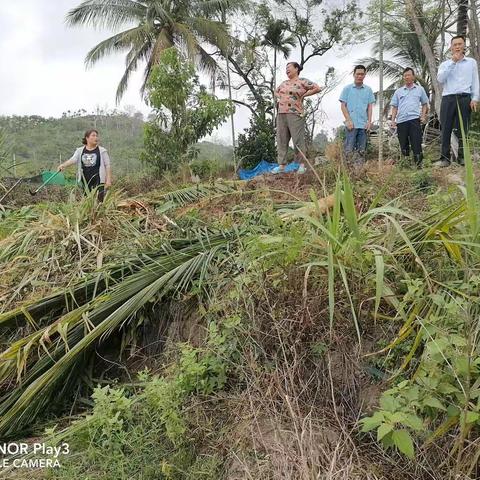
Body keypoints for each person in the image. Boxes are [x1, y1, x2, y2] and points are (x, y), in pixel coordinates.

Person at [435, 35, 479, 167]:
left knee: (463, 129)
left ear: (464, 46)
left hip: (465, 98)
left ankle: (461, 158)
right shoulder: (445, 64)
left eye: (460, 44)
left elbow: (475, 81)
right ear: (451, 47)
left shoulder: (471, 62)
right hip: (448, 99)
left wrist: (475, 98)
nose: (458, 47)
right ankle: (444, 159)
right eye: (455, 45)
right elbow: (440, 79)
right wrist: (453, 62)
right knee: (446, 128)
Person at [273, 62, 322, 174]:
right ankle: (281, 165)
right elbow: (276, 91)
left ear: (296, 69)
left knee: (298, 140)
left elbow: (317, 88)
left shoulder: (302, 81)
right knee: (281, 139)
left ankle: (302, 165)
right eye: (286, 68)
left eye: (289, 67)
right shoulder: (284, 83)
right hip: (281, 113)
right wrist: (279, 96)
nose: (287, 70)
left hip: (295, 113)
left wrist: (304, 95)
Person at [390, 67, 429, 168]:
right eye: (405, 75)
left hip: (414, 120)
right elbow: (394, 107)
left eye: (408, 75)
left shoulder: (420, 90)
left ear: (413, 77)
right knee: (403, 144)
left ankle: (419, 166)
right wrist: (393, 121)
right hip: (401, 121)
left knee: (416, 143)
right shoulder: (398, 91)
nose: (406, 77)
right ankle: (405, 165)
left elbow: (425, 104)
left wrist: (423, 116)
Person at [58, 129, 112, 201]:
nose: (96, 137)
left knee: (99, 201)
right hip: (85, 180)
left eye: (97, 136)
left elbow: (107, 165)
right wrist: (63, 165)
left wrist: (108, 180)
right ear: (87, 138)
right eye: (93, 135)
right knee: (87, 200)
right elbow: (73, 159)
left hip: (98, 180)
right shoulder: (80, 150)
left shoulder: (102, 151)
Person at [339, 65, 376, 164]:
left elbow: (369, 107)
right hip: (351, 125)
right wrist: (348, 120)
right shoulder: (347, 89)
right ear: (354, 75)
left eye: (362, 74)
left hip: (363, 125)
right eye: (358, 74)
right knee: (349, 150)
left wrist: (369, 121)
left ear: (365, 75)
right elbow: (343, 106)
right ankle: (348, 173)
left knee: (361, 151)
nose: (359, 76)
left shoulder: (368, 90)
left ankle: (359, 174)